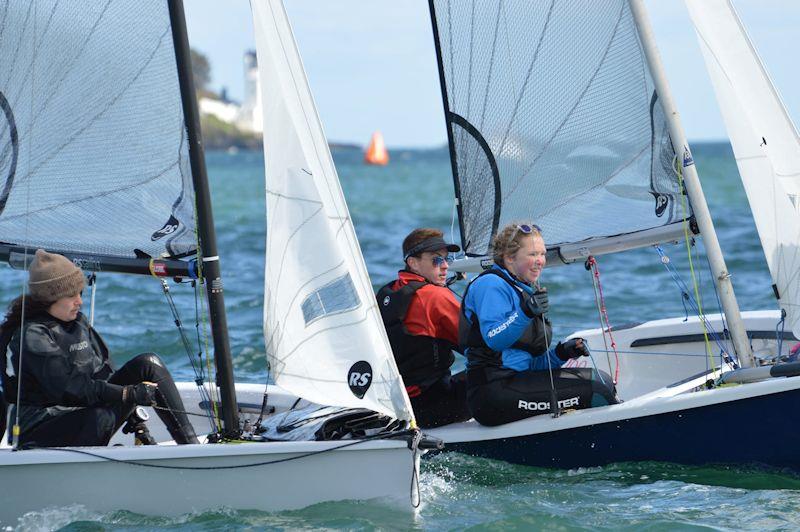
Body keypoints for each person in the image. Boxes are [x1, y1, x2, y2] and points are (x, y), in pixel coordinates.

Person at [0, 249, 199, 447]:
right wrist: (127, 394)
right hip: (39, 429)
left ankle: (191, 448)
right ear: (48, 299)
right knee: (100, 417)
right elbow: (69, 389)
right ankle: (94, 468)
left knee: (148, 364)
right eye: (71, 295)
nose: (79, 301)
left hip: (83, 413)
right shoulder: (32, 335)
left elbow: (103, 372)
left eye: (80, 292)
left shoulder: (77, 322)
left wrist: (132, 412)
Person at [460, 222, 618, 426]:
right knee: (599, 388)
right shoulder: (491, 285)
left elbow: (528, 364)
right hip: (492, 392)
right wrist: (526, 312)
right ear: (509, 257)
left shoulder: (522, 288)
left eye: (542, 254)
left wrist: (561, 354)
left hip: (515, 383)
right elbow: (494, 339)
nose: (540, 261)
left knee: (602, 379)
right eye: (533, 254)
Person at [376, 228, 472, 428]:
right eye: (436, 260)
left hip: (398, 405)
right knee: (498, 372)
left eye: (446, 259)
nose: (445, 266)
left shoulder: (388, 292)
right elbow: (477, 343)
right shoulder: (433, 296)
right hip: (431, 406)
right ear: (413, 263)